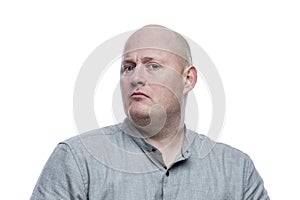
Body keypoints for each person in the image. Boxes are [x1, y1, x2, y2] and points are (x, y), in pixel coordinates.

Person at [30, 25, 270, 199]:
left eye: (153, 65)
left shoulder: (237, 170)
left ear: (188, 79)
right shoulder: (76, 160)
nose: (136, 78)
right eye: (128, 67)